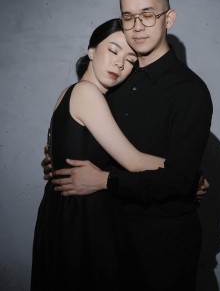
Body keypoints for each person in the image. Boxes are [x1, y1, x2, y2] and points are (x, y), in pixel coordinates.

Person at [49, 0, 213, 291]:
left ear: (169, 19)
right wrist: (60, 159)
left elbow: (178, 178)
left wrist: (105, 180)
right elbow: (86, 139)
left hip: (160, 245)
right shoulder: (113, 79)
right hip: (104, 236)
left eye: (148, 15)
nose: (137, 26)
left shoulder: (190, 91)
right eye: (128, 17)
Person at [31, 18, 166, 291]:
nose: (119, 64)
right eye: (113, 50)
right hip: (84, 216)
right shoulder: (87, 92)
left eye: (130, 60)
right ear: (91, 51)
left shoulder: (69, 92)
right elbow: (134, 161)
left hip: (63, 212)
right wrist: (186, 171)